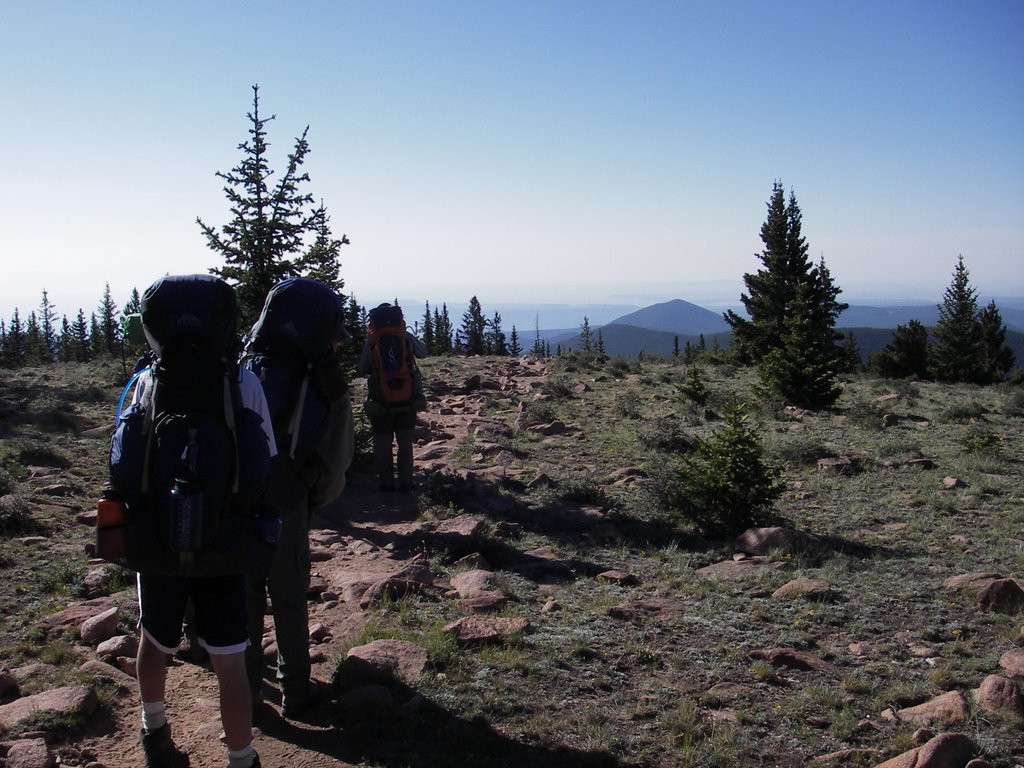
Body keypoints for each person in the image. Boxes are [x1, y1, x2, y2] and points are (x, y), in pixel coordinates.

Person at [127, 276, 276, 768]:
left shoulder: (147, 382)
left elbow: (126, 463)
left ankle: (156, 738)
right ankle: (241, 759)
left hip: (159, 541)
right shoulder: (242, 381)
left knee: (155, 639)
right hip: (225, 539)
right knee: (230, 662)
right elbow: (265, 463)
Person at [244, 283, 355, 720]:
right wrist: (313, 498)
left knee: (245, 596)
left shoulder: (246, 363)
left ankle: (246, 694)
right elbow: (337, 458)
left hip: (239, 495)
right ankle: (296, 692)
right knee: (288, 597)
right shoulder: (322, 378)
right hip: (285, 498)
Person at [357, 303, 427, 492]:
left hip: (380, 401)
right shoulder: (405, 338)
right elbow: (423, 353)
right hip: (407, 398)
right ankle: (406, 482)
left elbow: (362, 368)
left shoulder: (372, 341)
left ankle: (386, 483)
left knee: (382, 444)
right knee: (405, 443)